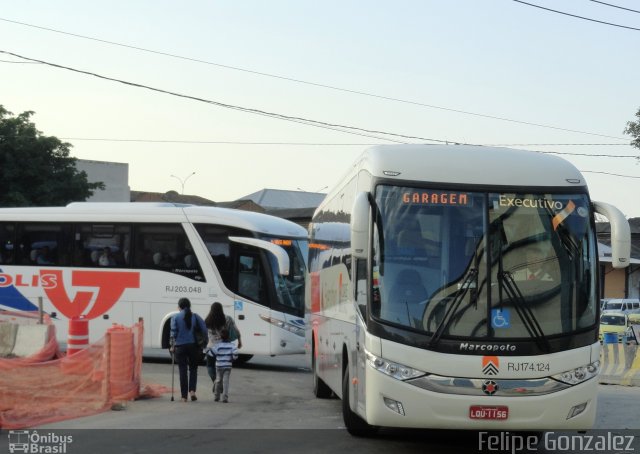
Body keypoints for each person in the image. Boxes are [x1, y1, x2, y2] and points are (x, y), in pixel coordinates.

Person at [169, 297, 207, 402]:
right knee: (193, 369)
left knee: (183, 370)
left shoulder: (175, 318)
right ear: (189, 306)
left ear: (179, 307)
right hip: (193, 346)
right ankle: (192, 391)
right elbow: (204, 329)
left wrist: (172, 346)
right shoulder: (195, 316)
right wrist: (204, 343)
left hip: (180, 346)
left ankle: (184, 397)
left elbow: (173, 333)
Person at [204, 302, 242, 392]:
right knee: (222, 368)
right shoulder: (228, 319)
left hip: (211, 347)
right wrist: (240, 341)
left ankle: (216, 382)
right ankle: (219, 383)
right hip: (225, 347)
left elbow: (204, 334)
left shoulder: (207, 321)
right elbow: (236, 331)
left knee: (210, 366)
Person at [211, 327, 238, 403]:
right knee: (226, 382)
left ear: (220, 337)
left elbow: (213, 353)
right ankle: (225, 398)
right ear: (228, 336)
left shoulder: (218, 345)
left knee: (218, 380)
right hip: (228, 366)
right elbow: (236, 354)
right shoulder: (232, 345)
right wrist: (232, 358)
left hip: (219, 366)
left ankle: (216, 396)